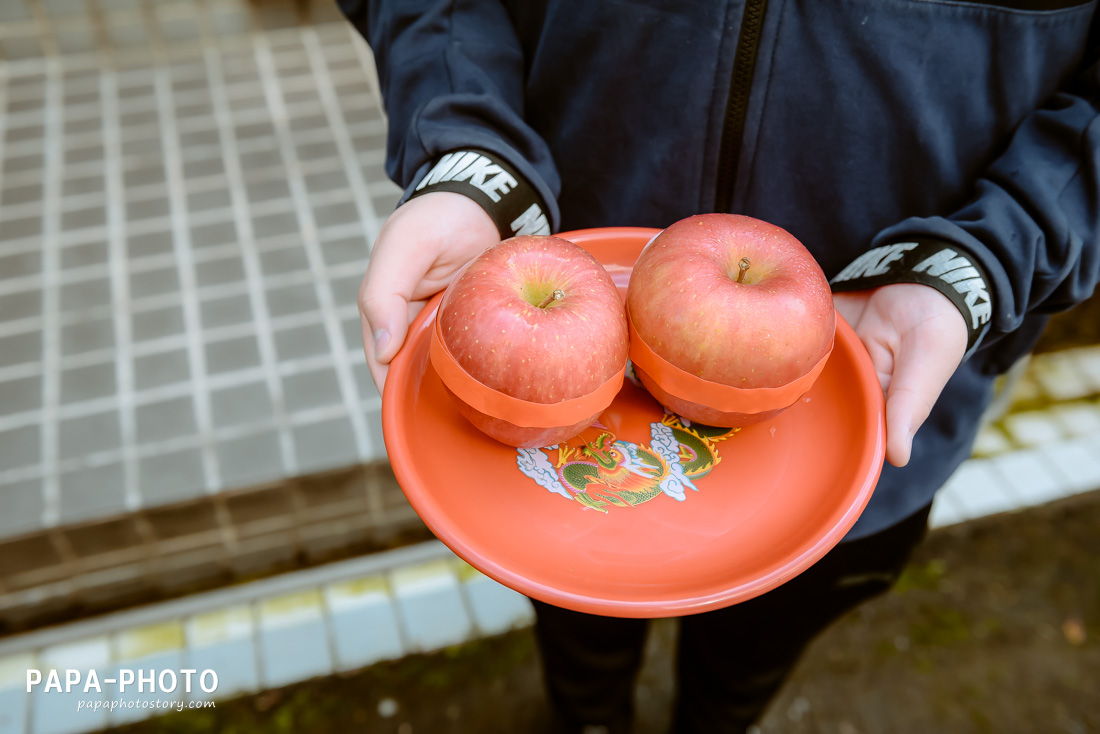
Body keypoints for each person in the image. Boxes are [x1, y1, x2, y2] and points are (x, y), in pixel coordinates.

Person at [338, 1, 1100, 731]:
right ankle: (588, 718)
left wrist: (988, 254)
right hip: (545, 372)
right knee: (577, 628)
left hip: (862, 389)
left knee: (755, 653)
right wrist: (473, 153)